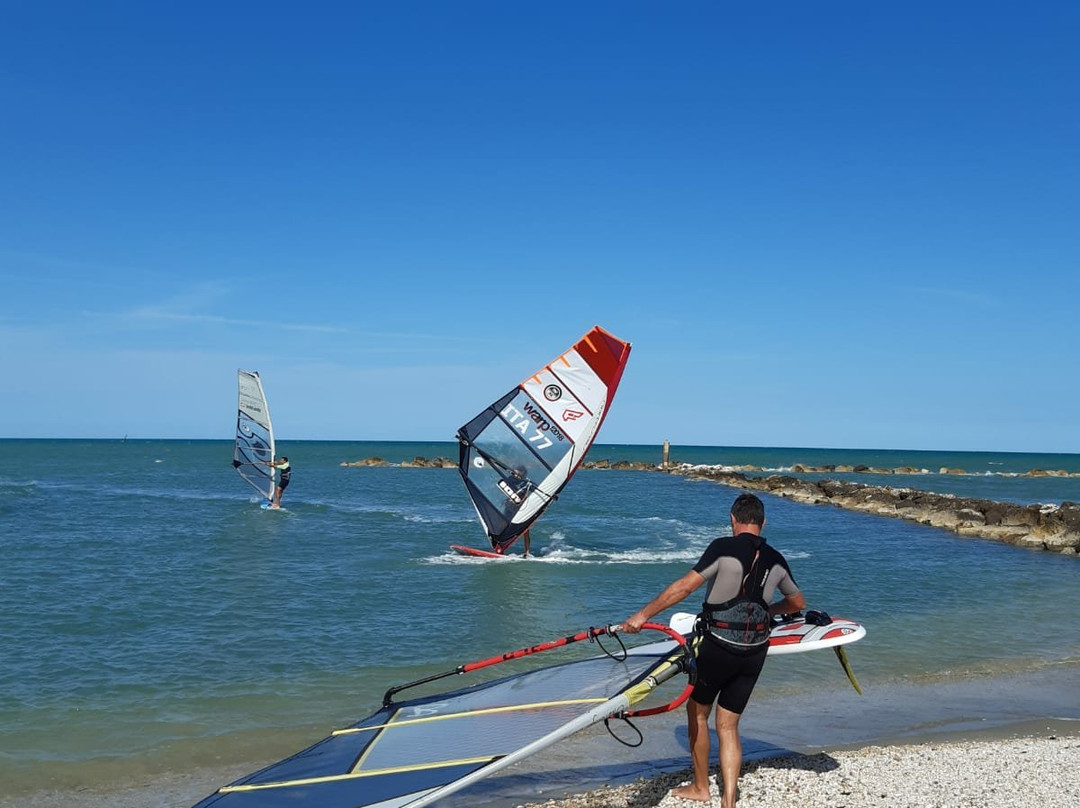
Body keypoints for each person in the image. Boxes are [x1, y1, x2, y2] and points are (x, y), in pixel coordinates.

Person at [623, 493, 805, 808]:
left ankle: (701, 786)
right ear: (763, 523)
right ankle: (729, 800)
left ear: (733, 519)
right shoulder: (776, 558)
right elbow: (798, 604)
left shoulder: (722, 547)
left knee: (697, 712)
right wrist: (769, 611)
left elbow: (684, 587)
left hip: (718, 646)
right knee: (729, 725)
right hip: (755, 650)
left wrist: (643, 615)